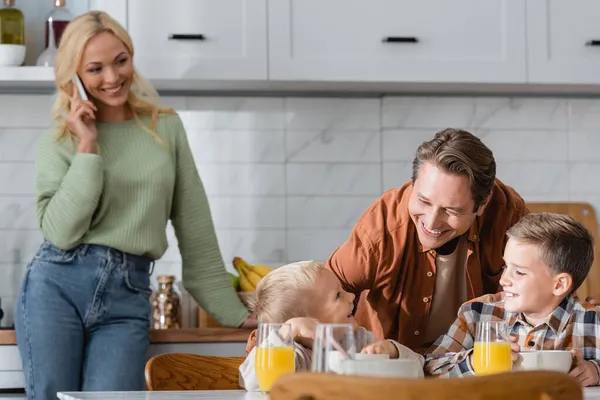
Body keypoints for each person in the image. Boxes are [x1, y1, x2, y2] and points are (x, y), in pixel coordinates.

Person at [14, 10, 254, 399]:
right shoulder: (59, 142)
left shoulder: (166, 128)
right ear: (74, 78)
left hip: (128, 297)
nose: (112, 78)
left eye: (120, 61)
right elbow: (60, 232)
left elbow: (195, 230)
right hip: (56, 287)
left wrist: (238, 314)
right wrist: (88, 146)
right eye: (95, 69)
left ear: (131, 55)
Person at [325, 128, 528, 354]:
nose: (431, 222)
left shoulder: (509, 215)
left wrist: (571, 351)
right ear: (413, 184)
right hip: (390, 370)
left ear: (482, 205)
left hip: (478, 372)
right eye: (423, 201)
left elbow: (548, 293)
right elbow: (320, 295)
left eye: (451, 210)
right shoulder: (382, 225)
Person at [424, 213, 600, 387]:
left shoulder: (593, 321)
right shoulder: (476, 314)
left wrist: (596, 371)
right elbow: (430, 367)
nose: (503, 280)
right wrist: (474, 363)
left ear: (560, 284)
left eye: (520, 272)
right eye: (506, 266)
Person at [239, 261, 424, 391]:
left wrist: (393, 351)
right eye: (338, 296)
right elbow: (253, 382)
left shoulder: (361, 342)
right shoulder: (294, 355)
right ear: (307, 321)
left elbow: (419, 370)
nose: (351, 296)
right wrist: (287, 332)